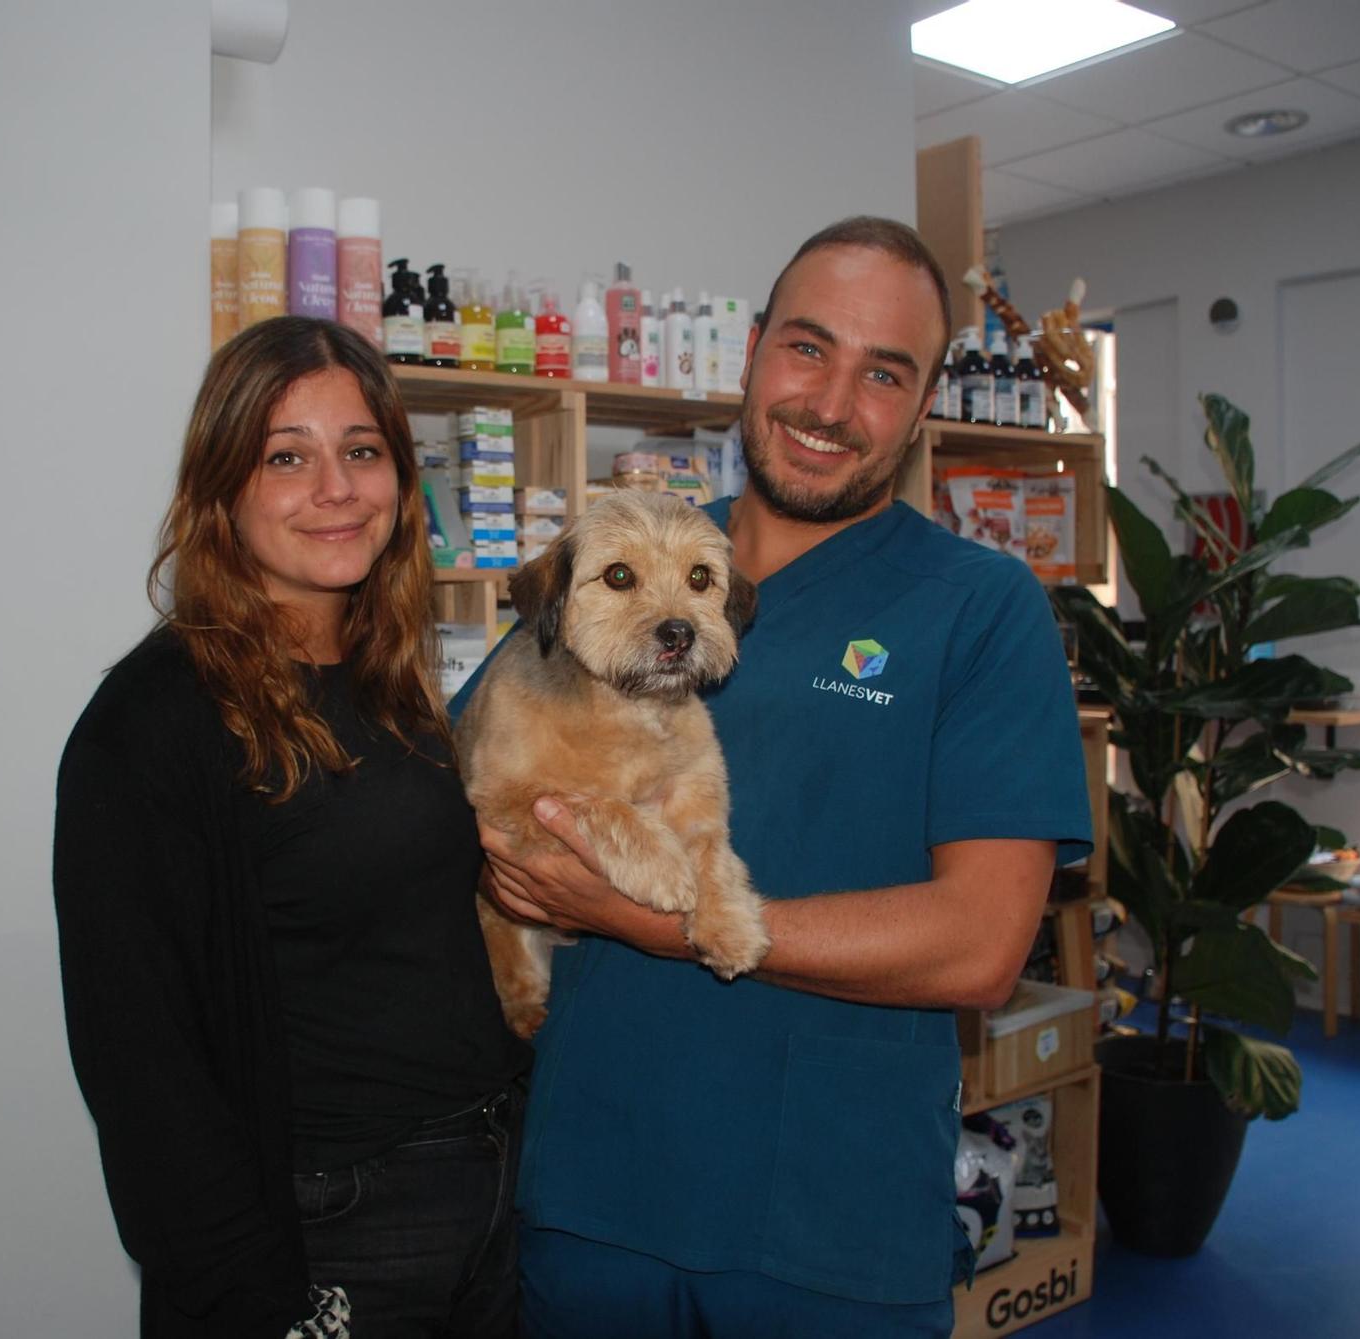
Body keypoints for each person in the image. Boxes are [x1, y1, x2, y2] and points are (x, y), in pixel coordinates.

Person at [468, 218, 1092, 1338]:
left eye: (882, 373)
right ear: (751, 351)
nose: (829, 403)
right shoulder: (621, 556)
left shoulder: (977, 607)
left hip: (828, 1238)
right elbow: (457, 782)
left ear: (918, 402)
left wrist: (663, 920)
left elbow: (980, 943)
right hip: (589, 1205)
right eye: (807, 349)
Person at [54, 316, 531, 1338]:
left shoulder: (391, 683)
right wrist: (245, 1296)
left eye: (361, 451)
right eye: (287, 457)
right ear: (222, 489)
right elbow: (139, 1062)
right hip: (328, 1222)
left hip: (488, 1190)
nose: (336, 488)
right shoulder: (151, 724)